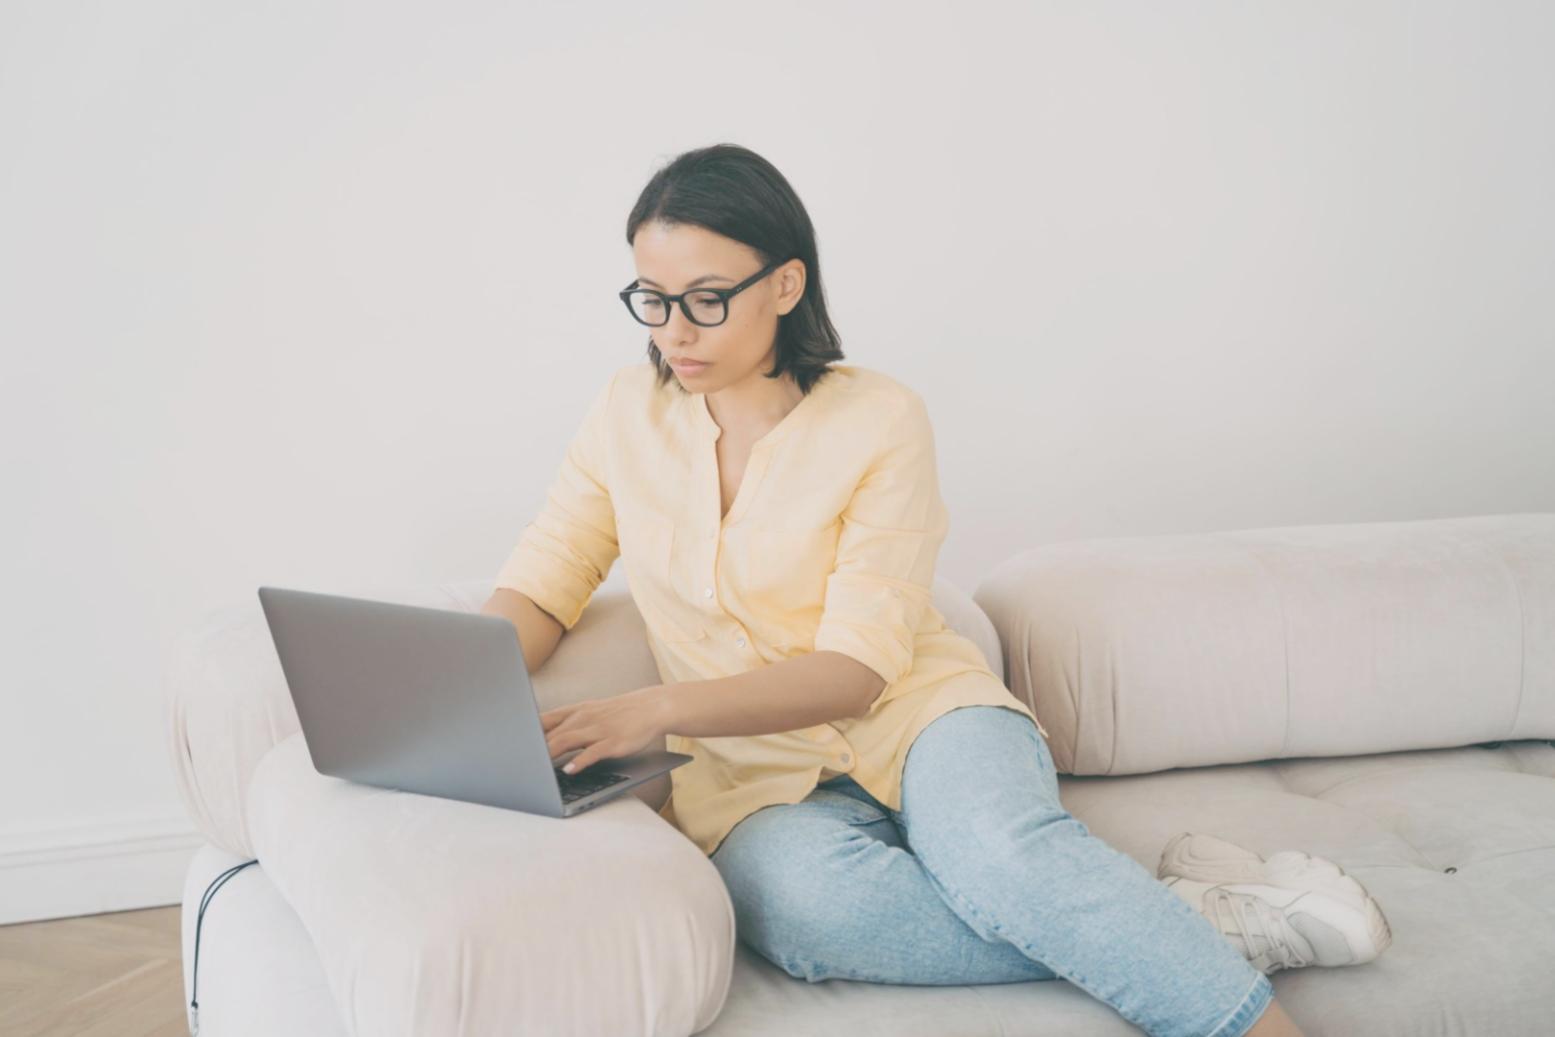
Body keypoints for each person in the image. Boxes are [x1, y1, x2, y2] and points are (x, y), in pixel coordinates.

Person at [482, 143, 1390, 1037]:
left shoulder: (879, 418)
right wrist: (465, 679)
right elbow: (545, 578)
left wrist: (657, 707)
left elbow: (856, 671)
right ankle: (1188, 917)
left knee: (1000, 860)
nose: (673, 331)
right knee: (809, 916)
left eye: (706, 300)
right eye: (651, 299)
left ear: (786, 285)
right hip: (750, 777)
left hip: (923, 716)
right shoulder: (621, 415)